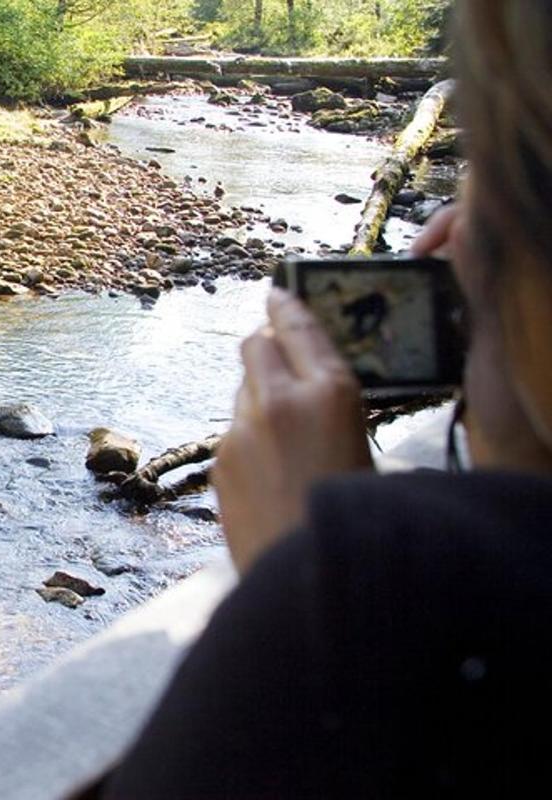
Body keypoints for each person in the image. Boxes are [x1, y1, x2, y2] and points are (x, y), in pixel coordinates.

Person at [100, 1, 552, 796]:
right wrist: (517, 446)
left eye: (481, 165)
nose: (444, 225)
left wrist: (315, 574)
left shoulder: (369, 586)